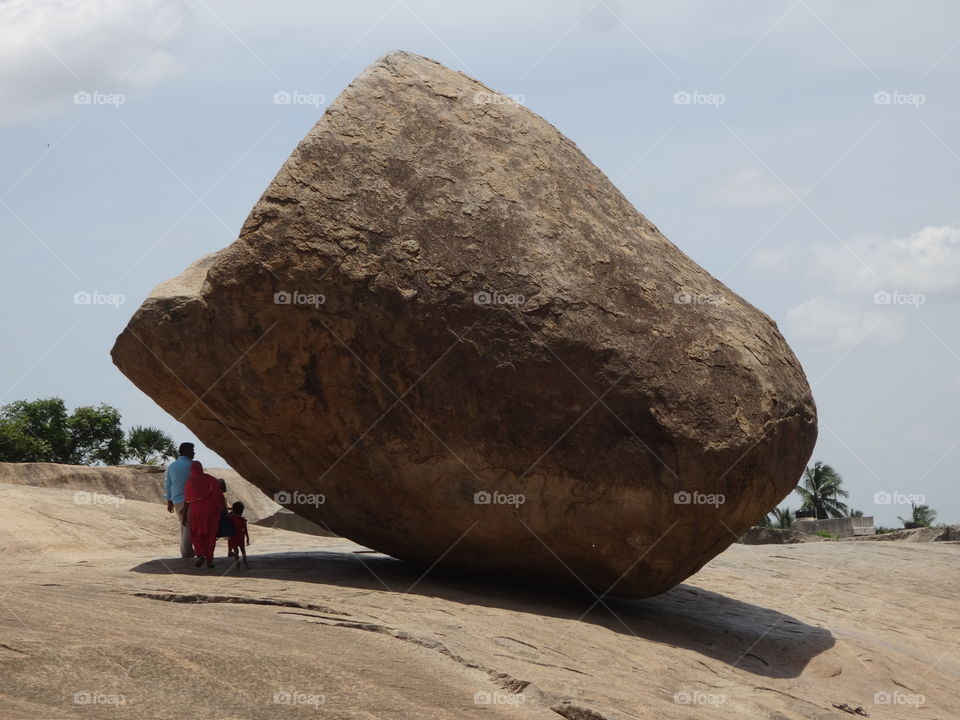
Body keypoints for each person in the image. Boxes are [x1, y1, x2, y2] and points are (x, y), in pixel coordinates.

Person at [183, 460, 225, 568]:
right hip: (212, 511)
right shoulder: (211, 479)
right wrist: (221, 508)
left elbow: (187, 500)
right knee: (211, 535)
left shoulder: (189, 482)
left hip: (196, 511)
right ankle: (210, 560)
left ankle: (200, 555)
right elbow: (218, 496)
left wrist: (184, 515)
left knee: (197, 534)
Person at [164, 442, 195, 558]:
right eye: (192, 450)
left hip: (176, 501)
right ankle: (186, 551)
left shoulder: (172, 466)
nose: (194, 453)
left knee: (183, 524)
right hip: (190, 500)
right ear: (187, 451)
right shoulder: (192, 465)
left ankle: (186, 550)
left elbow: (168, 485)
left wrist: (169, 501)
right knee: (188, 525)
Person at [227, 501, 250, 568]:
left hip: (233, 536)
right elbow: (245, 530)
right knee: (243, 550)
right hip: (241, 536)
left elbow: (228, 527)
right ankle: (245, 561)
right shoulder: (243, 520)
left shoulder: (230, 518)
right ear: (242, 511)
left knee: (236, 550)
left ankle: (237, 563)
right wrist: (247, 538)